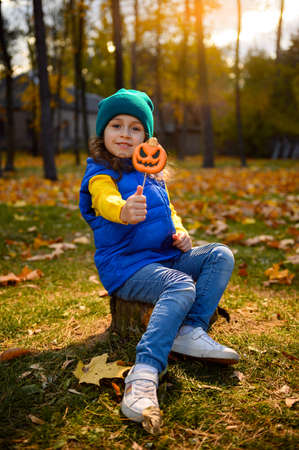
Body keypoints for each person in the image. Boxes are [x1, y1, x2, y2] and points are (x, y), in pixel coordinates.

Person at [79, 88, 239, 424]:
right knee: (180, 286)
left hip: (165, 257)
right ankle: (144, 371)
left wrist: (180, 232)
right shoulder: (100, 174)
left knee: (220, 255)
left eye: (135, 128)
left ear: (147, 137)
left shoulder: (153, 173)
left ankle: (190, 330)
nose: (125, 134)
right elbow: (104, 200)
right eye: (116, 126)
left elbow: (169, 211)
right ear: (102, 132)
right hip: (127, 266)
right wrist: (123, 211)